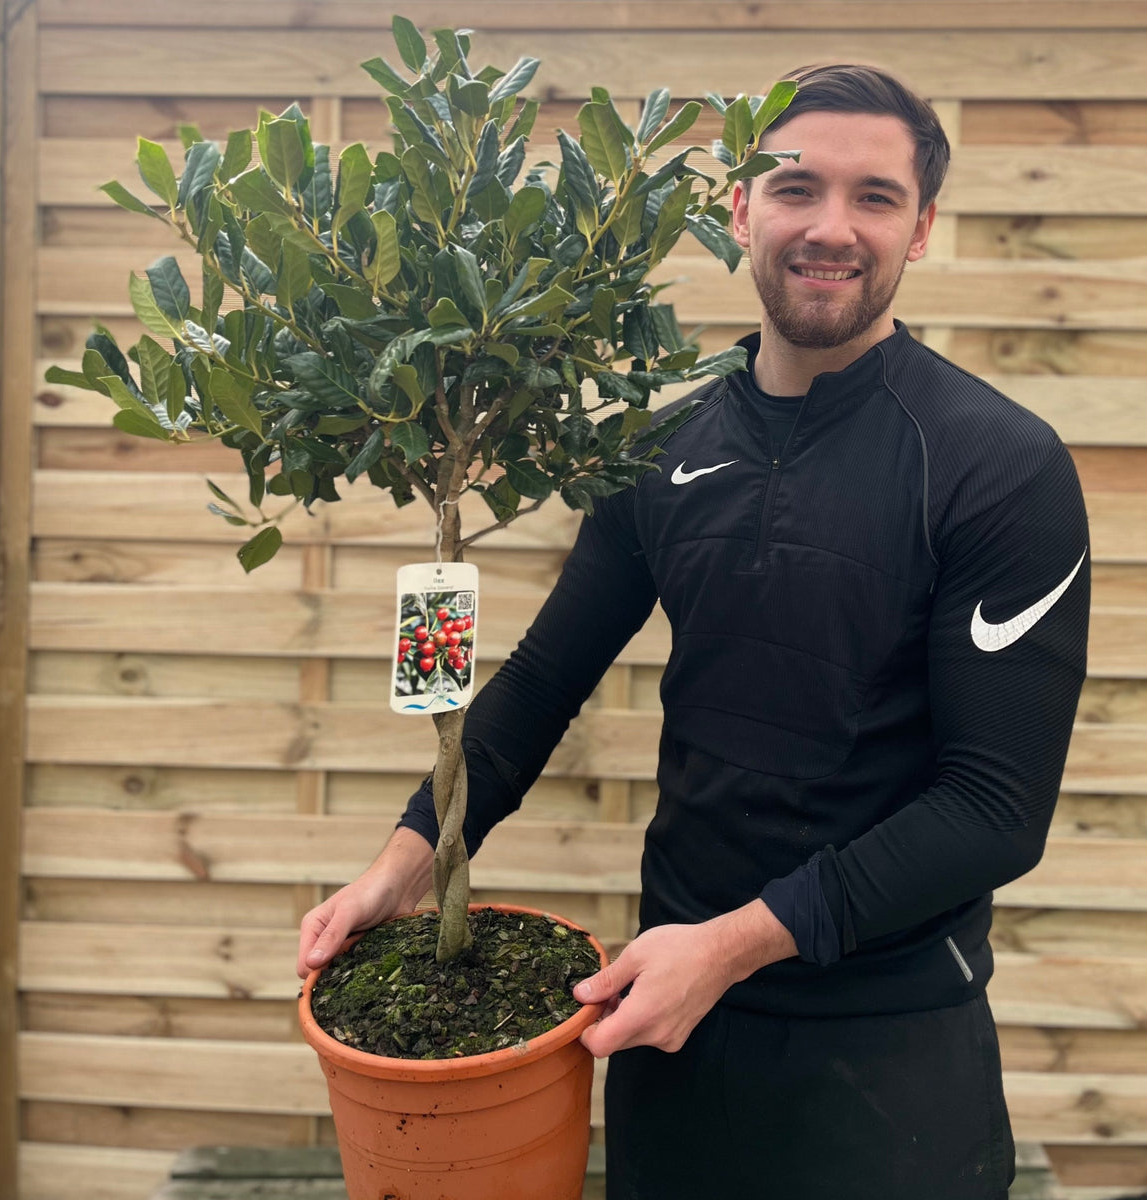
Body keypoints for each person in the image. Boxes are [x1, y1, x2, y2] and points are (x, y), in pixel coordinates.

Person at [298, 64, 1090, 1200]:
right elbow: (541, 682)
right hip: (672, 1034)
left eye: (874, 197)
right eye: (795, 186)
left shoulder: (998, 466)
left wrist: (727, 946)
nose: (830, 227)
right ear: (738, 210)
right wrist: (402, 864)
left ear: (921, 229)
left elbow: (994, 812)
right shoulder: (657, 449)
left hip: (890, 1046)